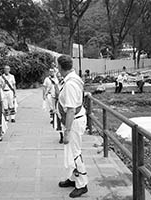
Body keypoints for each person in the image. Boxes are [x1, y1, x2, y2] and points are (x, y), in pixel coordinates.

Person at [56, 55, 88, 198]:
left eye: (57, 66)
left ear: (61, 67)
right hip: (74, 121)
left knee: (75, 153)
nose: (57, 68)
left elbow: (71, 109)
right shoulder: (73, 78)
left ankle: (82, 184)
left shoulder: (70, 84)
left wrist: (67, 132)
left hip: (74, 122)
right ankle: (73, 178)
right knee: (71, 152)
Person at [54, 72, 64, 144]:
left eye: (60, 76)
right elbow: (56, 95)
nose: (59, 78)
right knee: (59, 120)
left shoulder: (66, 83)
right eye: (58, 77)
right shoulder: (56, 85)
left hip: (65, 103)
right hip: (59, 103)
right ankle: (61, 136)